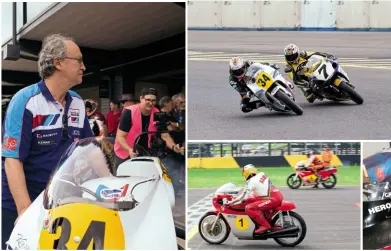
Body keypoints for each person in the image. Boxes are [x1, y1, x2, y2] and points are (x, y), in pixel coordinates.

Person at [1, 33, 93, 249]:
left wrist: (111, 182)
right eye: (79, 60)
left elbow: (89, 149)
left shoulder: (78, 102)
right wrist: (24, 211)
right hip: (20, 201)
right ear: (57, 62)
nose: (84, 67)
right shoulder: (25, 101)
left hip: (60, 199)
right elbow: (12, 160)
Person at [114, 88, 184, 167]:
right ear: (141, 99)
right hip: (125, 151)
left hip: (144, 151)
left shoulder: (157, 113)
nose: (151, 103)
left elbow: (165, 135)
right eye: (148, 99)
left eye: (153, 100)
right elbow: (120, 137)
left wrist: (174, 147)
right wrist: (129, 150)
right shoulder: (129, 112)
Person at [227, 164, 283, 234]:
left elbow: (244, 197)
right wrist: (235, 200)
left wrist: (232, 202)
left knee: (249, 208)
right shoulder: (261, 174)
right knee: (254, 200)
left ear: (246, 173)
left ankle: (265, 225)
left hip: (272, 199)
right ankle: (265, 221)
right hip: (277, 195)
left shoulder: (251, 182)